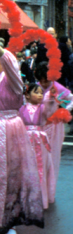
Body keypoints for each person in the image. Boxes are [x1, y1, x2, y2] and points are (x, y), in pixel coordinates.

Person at [0, 35, 43, 234]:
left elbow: (13, 68)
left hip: (10, 130)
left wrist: (2, 50)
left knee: (9, 175)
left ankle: (10, 222)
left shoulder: (12, 81)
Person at [33, 61, 73, 205]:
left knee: (53, 159)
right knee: (37, 159)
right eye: (41, 79)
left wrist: (64, 111)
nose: (43, 83)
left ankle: (49, 193)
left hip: (54, 127)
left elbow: (71, 99)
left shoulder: (57, 88)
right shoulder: (34, 87)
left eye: (46, 79)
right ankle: (38, 193)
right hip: (38, 127)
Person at [20, 83, 55, 210]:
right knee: (26, 168)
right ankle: (26, 200)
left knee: (41, 168)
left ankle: (40, 200)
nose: (40, 95)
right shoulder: (21, 109)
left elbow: (50, 110)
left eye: (41, 93)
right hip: (25, 140)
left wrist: (50, 96)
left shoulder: (43, 108)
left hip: (40, 140)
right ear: (27, 95)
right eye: (36, 92)